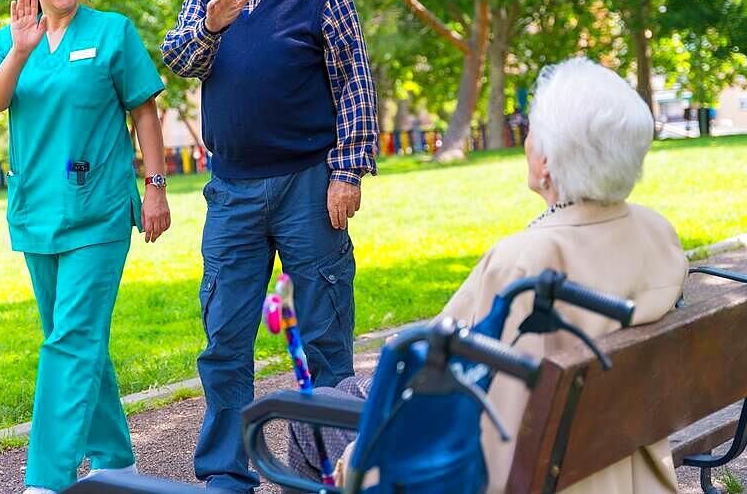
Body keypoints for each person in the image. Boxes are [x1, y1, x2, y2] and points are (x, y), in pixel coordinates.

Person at [289, 57, 687, 494]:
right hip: (611, 452)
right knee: (348, 387)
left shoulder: (528, 261)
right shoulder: (656, 231)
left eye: (533, 130)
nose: (527, 140)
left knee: (307, 412)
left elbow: (460, 393)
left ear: (548, 161)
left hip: (503, 464)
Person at [160, 0, 379, 491]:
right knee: (225, 337)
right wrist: (212, 24)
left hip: (311, 185)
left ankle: (340, 465)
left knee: (326, 333)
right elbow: (177, 59)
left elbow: (354, 79)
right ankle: (227, 472)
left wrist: (349, 170)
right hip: (232, 192)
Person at [0, 0, 171, 494]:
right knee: (75, 337)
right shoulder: (10, 39)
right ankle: (115, 460)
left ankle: (46, 479)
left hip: (101, 211)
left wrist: (156, 185)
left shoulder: (113, 32)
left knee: (70, 340)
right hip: (37, 210)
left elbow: (144, 113)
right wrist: (18, 50)